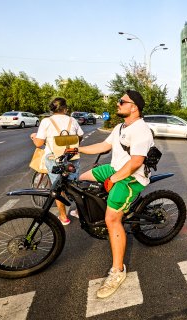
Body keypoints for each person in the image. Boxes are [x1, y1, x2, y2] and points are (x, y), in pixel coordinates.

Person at [76, 90, 153, 299]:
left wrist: (114, 179)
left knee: (112, 219)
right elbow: (104, 146)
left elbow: (136, 162)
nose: (117, 104)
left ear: (134, 107)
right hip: (115, 169)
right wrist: (77, 150)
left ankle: (118, 271)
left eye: (122, 101)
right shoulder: (121, 127)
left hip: (131, 177)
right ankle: (101, 205)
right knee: (82, 179)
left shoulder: (142, 130)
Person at [30, 97, 84, 225]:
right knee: (74, 185)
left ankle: (63, 217)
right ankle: (80, 211)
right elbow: (80, 136)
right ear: (65, 108)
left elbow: (39, 143)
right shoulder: (72, 120)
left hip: (53, 157)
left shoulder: (46, 121)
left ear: (52, 109)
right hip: (72, 156)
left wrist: (33, 137)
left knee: (57, 187)